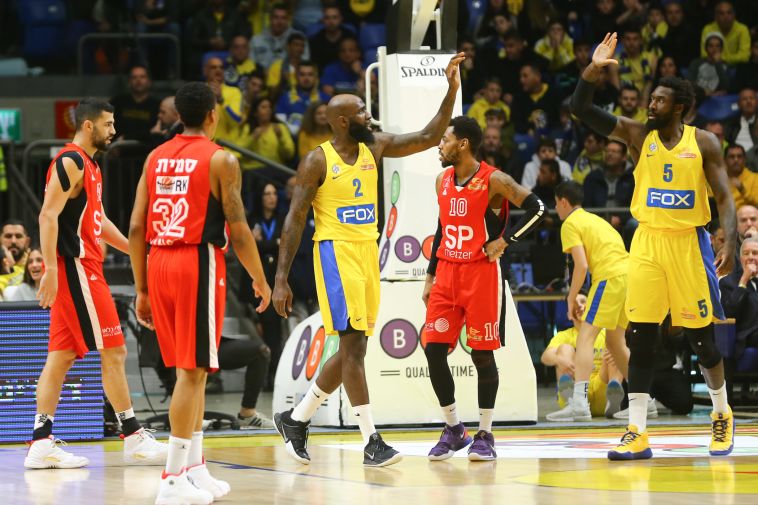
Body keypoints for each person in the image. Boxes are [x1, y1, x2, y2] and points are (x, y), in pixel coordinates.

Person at [271, 53, 466, 468]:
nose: (368, 115)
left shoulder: (374, 146)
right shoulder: (317, 160)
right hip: (335, 254)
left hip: (366, 252)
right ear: (343, 121)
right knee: (353, 349)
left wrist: (451, 88)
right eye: (361, 110)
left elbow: (430, 135)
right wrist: (281, 278)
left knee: (353, 348)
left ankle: (296, 419)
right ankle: (371, 442)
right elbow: (295, 218)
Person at [571, 32, 737, 460]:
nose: (651, 105)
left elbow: (724, 197)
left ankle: (721, 413)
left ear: (678, 107)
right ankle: (637, 430)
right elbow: (580, 109)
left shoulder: (703, 143)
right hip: (646, 242)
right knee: (641, 337)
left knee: (702, 340)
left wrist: (731, 241)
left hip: (688, 245)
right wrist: (593, 69)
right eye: (652, 99)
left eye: (660, 101)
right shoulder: (636, 134)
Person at [128, 82, 272, 504]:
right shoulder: (221, 159)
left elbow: (135, 226)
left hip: (158, 259)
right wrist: (260, 278)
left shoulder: (155, 157)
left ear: (178, 115)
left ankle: (194, 467)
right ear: (212, 114)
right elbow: (239, 229)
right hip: (196, 261)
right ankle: (172, 478)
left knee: (193, 371)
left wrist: (141, 288)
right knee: (192, 372)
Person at [26, 98, 167, 470]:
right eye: (108, 124)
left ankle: (40, 442)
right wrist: (52, 269)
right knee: (114, 351)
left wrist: (137, 250)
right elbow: (47, 215)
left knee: (60, 356)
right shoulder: (70, 161)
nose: (113, 131)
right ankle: (133, 435)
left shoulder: (89, 165)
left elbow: (98, 220)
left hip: (83, 267)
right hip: (77, 268)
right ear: (88, 125)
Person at [422, 116, 545, 461]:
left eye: (445, 139)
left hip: (481, 275)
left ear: (463, 144)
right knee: (433, 350)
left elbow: (537, 209)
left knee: (481, 354)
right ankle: (453, 428)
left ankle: (485, 434)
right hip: (447, 273)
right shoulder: (442, 180)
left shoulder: (494, 180)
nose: (440, 145)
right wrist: (430, 276)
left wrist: (506, 241)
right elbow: (443, 227)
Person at [546, 181, 630, 421]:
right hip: (629, 277)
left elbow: (581, 265)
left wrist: (571, 297)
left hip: (610, 277)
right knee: (616, 342)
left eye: (556, 203)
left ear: (563, 201)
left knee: (585, 337)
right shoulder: (597, 220)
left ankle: (580, 404)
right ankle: (644, 401)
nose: (556, 208)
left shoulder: (570, 223)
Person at [541, 291, 625, 419]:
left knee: (615, 347)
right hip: (577, 387)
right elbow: (545, 357)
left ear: (592, 307)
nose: (579, 306)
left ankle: (613, 398)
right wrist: (559, 360)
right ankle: (570, 403)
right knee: (564, 349)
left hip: (602, 386)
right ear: (569, 314)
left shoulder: (605, 333)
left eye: (583, 302)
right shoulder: (564, 335)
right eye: (575, 303)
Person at [0, 219, 30, 291]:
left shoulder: (35, 263)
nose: (13, 241)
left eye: (18, 236)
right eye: (8, 236)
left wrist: (11, 269)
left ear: (27, 242)